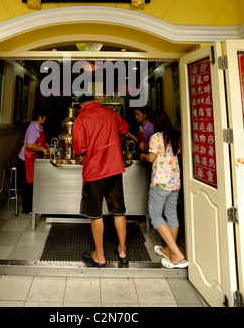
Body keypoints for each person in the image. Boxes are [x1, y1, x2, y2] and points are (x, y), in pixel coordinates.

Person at [72, 95, 129, 267]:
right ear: (96, 100)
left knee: (96, 214)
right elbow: (124, 128)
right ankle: (122, 251)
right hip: (114, 168)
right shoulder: (111, 113)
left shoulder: (81, 118)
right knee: (118, 211)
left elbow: (78, 147)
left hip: (94, 171)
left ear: (81, 104)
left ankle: (99, 255)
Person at [140, 110, 188, 269]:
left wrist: (144, 156)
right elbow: (177, 156)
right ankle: (168, 250)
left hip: (160, 182)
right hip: (174, 182)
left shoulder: (156, 137)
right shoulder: (176, 137)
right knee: (172, 215)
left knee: (155, 215)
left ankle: (176, 253)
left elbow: (152, 158)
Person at [17, 106, 49, 214]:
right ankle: (27, 209)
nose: (45, 119)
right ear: (40, 117)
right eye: (45, 117)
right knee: (29, 184)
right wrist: (42, 149)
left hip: (31, 158)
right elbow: (30, 145)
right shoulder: (33, 128)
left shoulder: (39, 126)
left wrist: (46, 145)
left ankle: (32, 206)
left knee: (32, 183)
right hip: (25, 159)